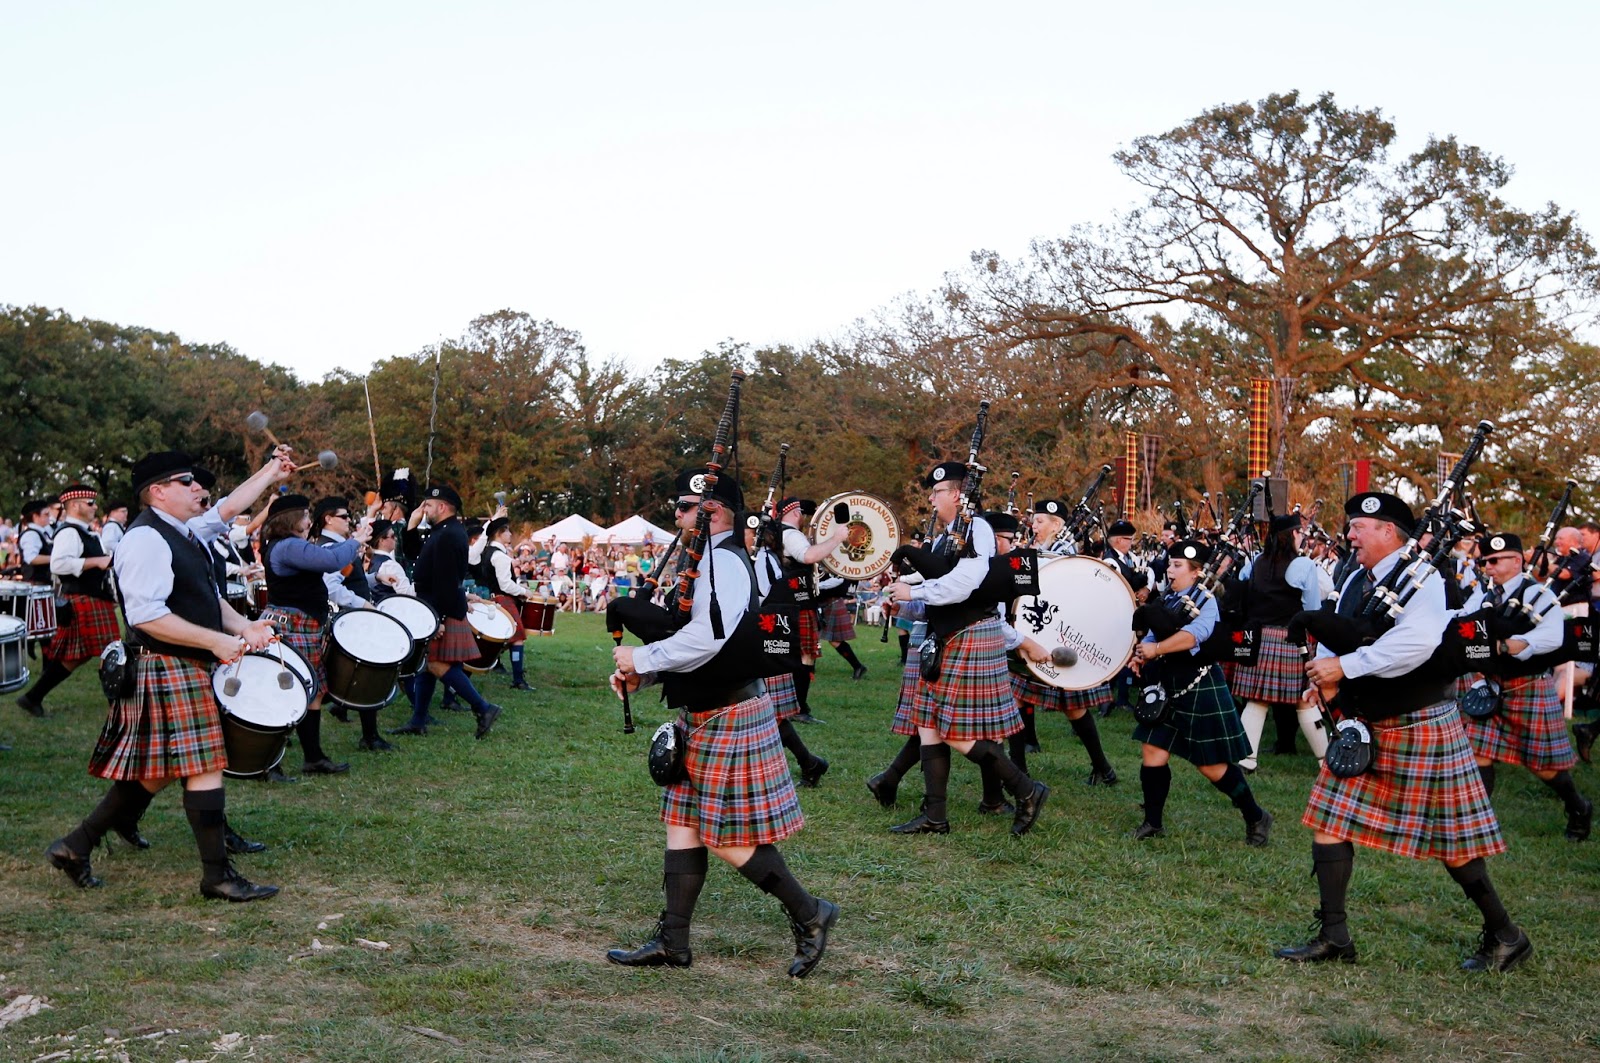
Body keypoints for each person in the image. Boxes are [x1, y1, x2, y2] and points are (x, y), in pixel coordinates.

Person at [1277, 493, 1530, 972]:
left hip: (1420, 723)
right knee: (1329, 822)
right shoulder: (1355, 576)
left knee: (1455, 846)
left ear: (1389, 531)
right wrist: (1327, 679)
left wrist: (1345, 667)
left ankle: (1506, 934)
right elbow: (1344, 630)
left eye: (1359, 527)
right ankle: (1334, 936)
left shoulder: (1426, 579)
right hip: (1367, 721)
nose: (1350, 535)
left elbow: (1415, 644)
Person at [607, 468, 836, 977]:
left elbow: (710, 638)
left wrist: (642, 659)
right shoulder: (704, 558)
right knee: (683, 825)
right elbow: (691, 634)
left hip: (729, 711)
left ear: (715, 511)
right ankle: (673, 941)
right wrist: (645, 674)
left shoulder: (726, 561)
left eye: (687, 507)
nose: (679, 515)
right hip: (704, 709)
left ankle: (810, 913)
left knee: (727, 836)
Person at [45, 449, 291, 900]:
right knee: (205, 765)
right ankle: (217, 877)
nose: (199, 488)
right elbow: (146, 616)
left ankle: (75, 845)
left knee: (157, 774)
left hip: (179, 664)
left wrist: (244, 626)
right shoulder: (145, 539)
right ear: (158, 492)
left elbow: (209, 574)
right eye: (187, 481)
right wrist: (216, 642)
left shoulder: (183, 530)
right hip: (165, 663)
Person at [884, 462, 1050, 837]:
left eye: (937, 492)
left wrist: (914, 591)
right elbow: (938, 579)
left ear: (957, 494)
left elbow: (963, 585)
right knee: (928, 724)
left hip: (970, 633)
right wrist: (903, 596)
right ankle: (935, 817)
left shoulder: (978, 529)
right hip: (948, 634)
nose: (931, 498)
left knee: (955, 731)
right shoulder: (949, 535)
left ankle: (1027, 790)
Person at [1129, 539, 1271, 844]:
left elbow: (1193, 637)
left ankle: (1256, 816)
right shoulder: (1169, 597)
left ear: (1196, 572)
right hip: (1167, 683)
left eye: (1177, 565)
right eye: (1170, 564)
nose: (1170, 570)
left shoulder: (1206, 602)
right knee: (1153, 751)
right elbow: (1154, 631)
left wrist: (1157, 649)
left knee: (1211, 765)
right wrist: (1141, 654)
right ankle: (1153, 822)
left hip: (1198, 685)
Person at [1460, 532, 1591, 841]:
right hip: (1490, 686)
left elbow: (1553, 636)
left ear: (1517, 561)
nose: (1488, 567)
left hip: (1527, 687)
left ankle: (1578, 806)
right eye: (1485, 562)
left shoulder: (1537, 594)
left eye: (1495, 561)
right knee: (1478, 752)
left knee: (1542, 765)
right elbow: (1465, 618)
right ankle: (1476, 825)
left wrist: (1514, 644)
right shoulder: (1485, 593)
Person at [259, 494, 370, 771]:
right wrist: (356, 540)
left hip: (302, 624)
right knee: (289, 691)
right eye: (306, 515)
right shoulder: (288, 546)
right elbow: (331, 560)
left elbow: (328, 557)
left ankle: (313, 757)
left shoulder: (287, 545)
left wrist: (353, 541)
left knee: (314, 691)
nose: (310, 521)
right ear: (291, 519)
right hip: (294, 625)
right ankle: (269, 763)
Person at [390, 485, 502, 740]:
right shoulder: (443, 531)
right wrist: (411, 525)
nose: (424, 509)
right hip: (439, 606)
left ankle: (483, 708)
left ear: (442, 507)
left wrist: (436, 619)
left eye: (428, 505)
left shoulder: (449, 534)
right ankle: (418, 721)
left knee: (435, 664)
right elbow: (414, 554)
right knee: (427, 667)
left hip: (441, 608)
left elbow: (446, 581)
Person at [1233, 515, 1329, 771]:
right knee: (1304, 699)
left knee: (1256, 699)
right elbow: (1312, 608)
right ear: (1292, 534)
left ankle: (1246, 759)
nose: (1303, 538)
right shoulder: (1303, 565)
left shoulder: (1255, 561)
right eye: (1300, 533)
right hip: (1290, 638)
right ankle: (1325, 761)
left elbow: (1243, 586)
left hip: (1257, 638)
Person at [16, 485, 121, 717]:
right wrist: (96, 562)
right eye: (90, 503)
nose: (95, 507)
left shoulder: (86, 532)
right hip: (84, 599)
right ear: (74, 505)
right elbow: (58, 564)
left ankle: (32, 697)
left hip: (93, 598)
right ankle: (119, 708)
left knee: (76, 657)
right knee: (112, 652)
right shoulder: (69, 532)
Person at [749, 511, 829, 788]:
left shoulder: (763, 559)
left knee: (763, 708)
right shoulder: (765, 558)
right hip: (766, 632)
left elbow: (760, 596)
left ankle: (806, 763)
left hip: (765, 632)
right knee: (761, 708)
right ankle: (809, 763)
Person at [775, 497, 850, 723]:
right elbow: (808, 556)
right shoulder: (791, 534)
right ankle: (799, 707)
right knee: (805, 656)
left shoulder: (776, 533)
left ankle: (789, 705)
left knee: (788, 655)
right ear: (796, 513)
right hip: (798, 604)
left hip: (786, 602)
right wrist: (836, 538)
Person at [483, 516, 533, 690]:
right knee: (517, 638)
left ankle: (497, 666)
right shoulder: (500, 557)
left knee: (501, 639)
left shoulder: (488, 552)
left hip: (494, 598)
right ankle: (518, 679)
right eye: (507, 531)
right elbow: (505, 584)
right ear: (499, 533)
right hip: (503, 599)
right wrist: (524, 591)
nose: (510, 534)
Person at [366, 520, 414, 602]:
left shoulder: (373, 560)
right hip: (392, 608)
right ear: (381, 541)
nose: (396, 538)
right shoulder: (389, 565)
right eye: (392, 536)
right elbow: (407, 594)